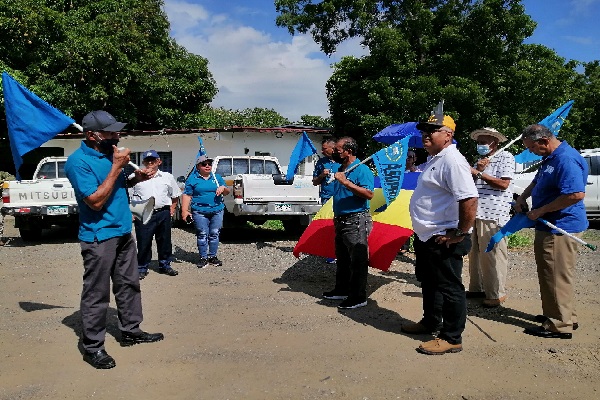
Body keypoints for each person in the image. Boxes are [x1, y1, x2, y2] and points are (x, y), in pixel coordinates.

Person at [64, 110, 164, 370]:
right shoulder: (77, 162)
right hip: (99, 236)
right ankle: (93, 347)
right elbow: (95, 201)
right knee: (97, 293)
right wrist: (117, 166)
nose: (117, 136)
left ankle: (131, 329)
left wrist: (133, 178)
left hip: (122, 231)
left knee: (129, 284)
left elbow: (117, 187)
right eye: (110, 132)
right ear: (92, 135)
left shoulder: (110, 154)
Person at [402, 113, 478, 355]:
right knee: (430, 282)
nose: (426, 135)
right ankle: (430, 321)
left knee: (449, 287)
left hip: (444, 235)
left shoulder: (452, 161)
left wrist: (460, 232)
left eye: (432, 131)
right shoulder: (435, 158)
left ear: (448, 136)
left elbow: (469, 198)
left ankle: (452, 337)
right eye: (424, 131)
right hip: (428, 235)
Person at [515, 124, 588, 339]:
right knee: (556, 275)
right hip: (549, 225)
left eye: (532, 148)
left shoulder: (565, 159)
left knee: (555, 275)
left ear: (544, 141)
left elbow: (575, 194)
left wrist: (541, 211)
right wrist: (522, 197)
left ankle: (560, 325)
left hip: (560, 226)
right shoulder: (551, 157)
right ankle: (563, 315)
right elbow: (537, 180)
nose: (531, 152)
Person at [322, 137, 374, 309]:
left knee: (357, 260)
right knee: (342, 258)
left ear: (348, 151)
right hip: (340, 218)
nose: (334, 152)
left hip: (356, 219)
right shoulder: (339, 168)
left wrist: (346, 182)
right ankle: (342, 289)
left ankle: (358, 296)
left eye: (337, 150)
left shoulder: (362, 170)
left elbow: (368, 194)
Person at [467, 128, 515, 307]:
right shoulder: (478, 161)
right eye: (478, 142)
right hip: (476, 211)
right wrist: (476, 171)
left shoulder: (506, 157)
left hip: (494, 212)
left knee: (493, 253)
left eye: (484, 142)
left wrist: (479, 173)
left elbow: (504, 184)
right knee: (474, 253)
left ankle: (496, 293)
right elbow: (470, 183)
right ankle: (476, 287)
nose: (480, 145)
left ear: (495, 142)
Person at [131, 150, 181, 280]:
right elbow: (128, 197)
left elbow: (175, 195)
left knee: (164, 241)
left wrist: (172, 209)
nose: (150, 162)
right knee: (143, 242)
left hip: (163, 212)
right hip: (143, 214)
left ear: (159, 161)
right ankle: (142, 267)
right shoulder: (135, 177)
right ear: (143, 162)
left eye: (153, 160)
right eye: (147, 160)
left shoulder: (167, 177)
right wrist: (132, 213)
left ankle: (165, 265)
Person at [181, 155, 230, 269]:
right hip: (199, 211)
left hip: (217, 210)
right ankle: (203, 257)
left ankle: (212, 256)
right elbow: (187, 195)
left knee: (214, 233)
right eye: (204, 164)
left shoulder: (217, 177)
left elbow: (227, 192)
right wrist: (184, 210)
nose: (207, 166)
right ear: (198, 166)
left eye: (209, 164)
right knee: (202, 234)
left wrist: (223, 188)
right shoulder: (192, 179)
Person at [312, 137, 340, 263]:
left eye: (324, 149)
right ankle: (330, 253)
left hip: (341, 198)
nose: (322, 151)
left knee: (341, 226)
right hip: (326, 198)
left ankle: (341, 252)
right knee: (329, 226)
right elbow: (314, 182)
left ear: (333, 148)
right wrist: (321, 175)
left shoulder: (343, 162)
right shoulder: (321, 162)